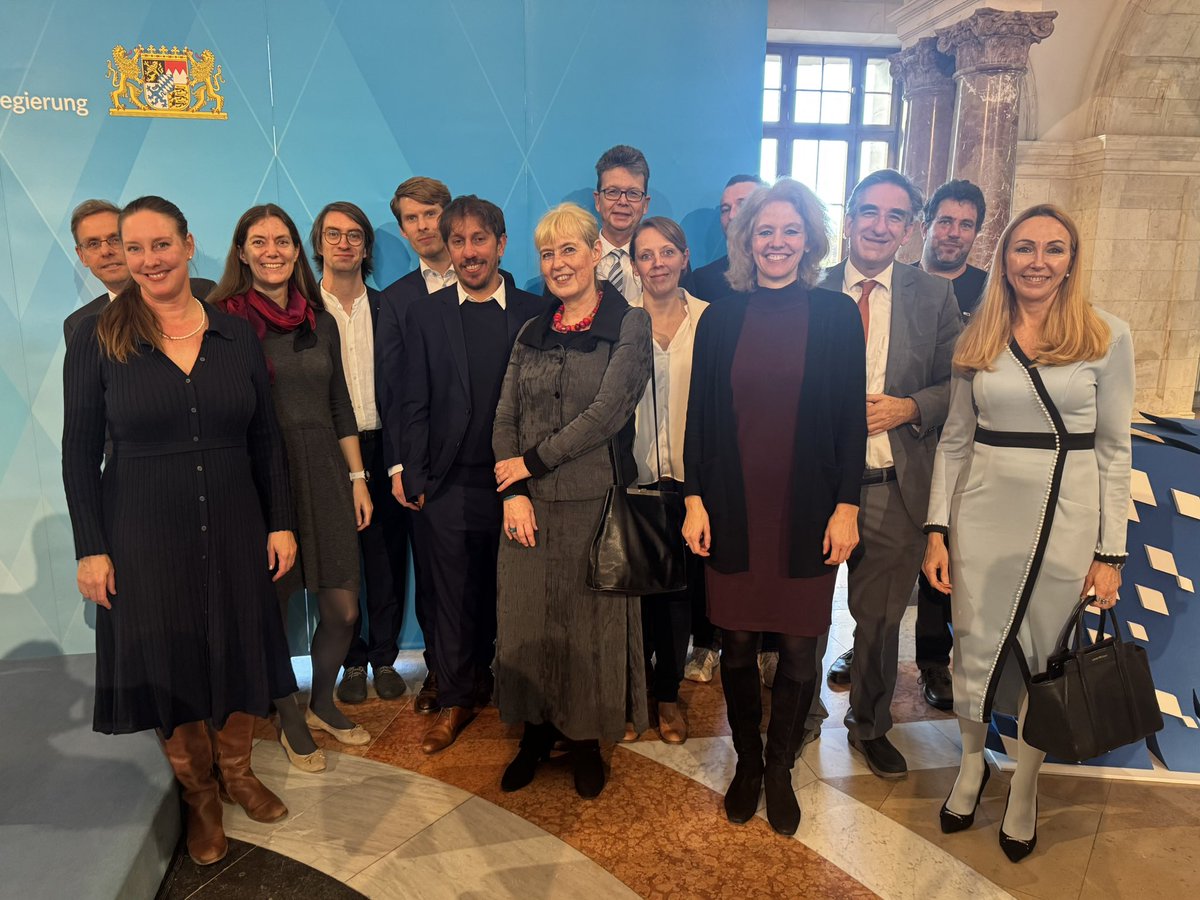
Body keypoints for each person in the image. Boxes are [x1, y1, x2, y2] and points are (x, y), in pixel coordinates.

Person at [63, 196, 296, 866]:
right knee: (169, 660)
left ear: (189, 245)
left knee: (236, 646)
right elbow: (78, 450)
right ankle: (199, 795)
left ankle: (240, 772)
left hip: (233, 521)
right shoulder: (96, 337)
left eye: (159, 245)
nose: (144, 260)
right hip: (140, 528)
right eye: (131, 249)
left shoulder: (236, 334)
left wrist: (280, 523)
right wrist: (91, 547)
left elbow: (264, 439)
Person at [923, 204, 1133, 862]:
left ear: (1072, 260)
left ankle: (1025, 787)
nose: (1037, 261)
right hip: (982, 517)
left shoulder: (1107, 336)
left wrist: (1110, 551)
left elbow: (1114, 451)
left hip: (1065, 523)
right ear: (1005, 258)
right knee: (974, 650)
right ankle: (970, 764)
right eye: (1023, 248)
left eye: (1054, 248)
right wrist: (937, 530)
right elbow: (954, 443)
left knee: (1045, 661)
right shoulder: (976, 335)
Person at [682, 179, 866, 836]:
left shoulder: (839, 315)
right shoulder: (721, 317)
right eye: (765, 231)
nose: (778, 242)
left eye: (790, 231)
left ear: (809, 241)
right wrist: (695, 500)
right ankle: (748, 763)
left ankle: (782, 764)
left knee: (797, 649)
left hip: (810, 509)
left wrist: (847, 507)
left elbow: (851, 421)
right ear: (747, 240)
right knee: (734, 646)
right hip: (733, 506)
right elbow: (700, 417)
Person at [492, 202, 652, 799]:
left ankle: (585, 741)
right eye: (548, 253)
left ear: (593, 254)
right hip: (526, 507)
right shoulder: (531, 329)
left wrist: (530, 463)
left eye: (569, 250)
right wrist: (514, 490)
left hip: (593, 503)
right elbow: (505, 413)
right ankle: (534, 736)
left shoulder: (629, 324)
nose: (558, 263)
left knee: (589, 629)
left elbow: (607, 414)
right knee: (527, 622)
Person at [212, 204, 373, 771]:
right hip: (261, 477)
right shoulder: (222, 320)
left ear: (298, 251)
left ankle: (322, 700)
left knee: (343, 609)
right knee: (272, 612)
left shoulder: (317, 318)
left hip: (326, 469)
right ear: (241, 252)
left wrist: (358, 479)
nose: (273, 251)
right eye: (260, 242)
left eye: (283, 241)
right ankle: (288, 718)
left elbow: (340, 405)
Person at [813, 170, 961, 780]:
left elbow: (962, 384)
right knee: (804, 614)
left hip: (894, 486)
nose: (879, 225)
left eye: (894, 216)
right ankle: (798, 716)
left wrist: (912, 407)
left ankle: (869, 723)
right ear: (847, 219)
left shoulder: (933, 297)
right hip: (815, 488)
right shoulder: (809, 287)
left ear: (909, 228)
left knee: (879, 621)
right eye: (867, 212)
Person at [398, 195, 546, 754]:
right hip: (448, 484)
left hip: (519, 484)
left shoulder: (536, 312)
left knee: (514, 596)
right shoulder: (427, 315)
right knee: (454, 599)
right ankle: (457, 697)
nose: (468, 252)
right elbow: (411, 398)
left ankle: (517, 695)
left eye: (478, 240)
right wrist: (410, 471)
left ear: (501, 245)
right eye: (457, 241)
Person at [309, 202, 409, 705]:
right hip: (327, 454)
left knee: (387, 560)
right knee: (342, 564)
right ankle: (352, 661)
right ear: (318, 243)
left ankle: (387, 658)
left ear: (366, 247)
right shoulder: (303, 312)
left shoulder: (390, 307)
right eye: (333, 235)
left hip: (384, 446)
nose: (344, 243)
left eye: (354, 235)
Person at [625, 216, 709, 744]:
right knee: (631, 597)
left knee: (679, 597)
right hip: (632, 479)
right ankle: (633, 697)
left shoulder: (711, 320)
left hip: (693, 482)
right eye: (646, 255)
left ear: (683, 258)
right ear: (634, 265)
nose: (657, 264)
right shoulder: (619, 323)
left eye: (666, 253)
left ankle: (667, 694)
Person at [376, 176, 456, 715]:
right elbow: (393, 389)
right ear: (403, 229)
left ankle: (485, 664)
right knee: (432, 576)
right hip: (426, 464)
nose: (424, 226)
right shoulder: (397, 300)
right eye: (412, 218)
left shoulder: (497, 283)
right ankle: (440, 670)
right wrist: (402, 465)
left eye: (432, 214)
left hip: (484, 460)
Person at [912, 179, 989, 710]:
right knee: (884, 553)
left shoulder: (991, 291)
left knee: (942, 551)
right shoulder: (905, 284)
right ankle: (862, 645)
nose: (953, 234)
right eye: (945, 221)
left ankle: (934, 660)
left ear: (977, 233)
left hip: (965, 445)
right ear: (927, 223)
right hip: (908, 435)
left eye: (965, 225)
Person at [64, 198, 214, 345]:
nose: (106, 251)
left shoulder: (205, 293)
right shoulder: (79, 325)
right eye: (93, 244)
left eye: (115, 239)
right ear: (82, 256)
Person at [683, 174, 764, 304]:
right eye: (725, 209)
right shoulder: (703, 281)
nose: (732, 215)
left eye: (743, 205)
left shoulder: (791, 272)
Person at [593, 145, 651, 303]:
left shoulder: (664, 260)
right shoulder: (576, 257)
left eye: (633, 193)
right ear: (598, 201)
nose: (623, 201)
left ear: (645, 204)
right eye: (613, 192)